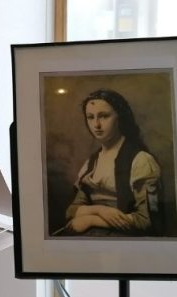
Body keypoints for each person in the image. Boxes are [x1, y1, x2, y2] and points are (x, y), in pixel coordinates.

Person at [61, 88, 163, 236]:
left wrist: (91, 220)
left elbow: (146, 221)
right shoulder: (91, 163)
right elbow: (71, 211)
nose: (96, 125)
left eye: (104, 116)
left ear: (120, 117)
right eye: (90, 117)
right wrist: (100, 210)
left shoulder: (141, 161)